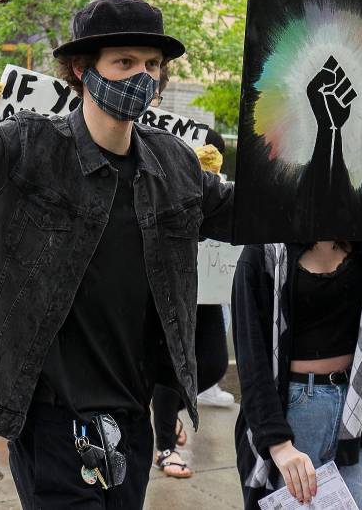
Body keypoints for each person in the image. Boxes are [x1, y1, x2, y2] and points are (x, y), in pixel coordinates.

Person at [0, 0, 233, 508]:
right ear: (81, 69)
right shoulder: (24, 149)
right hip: (50, 420)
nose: (142, 76)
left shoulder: (175, 165)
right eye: (123, 62)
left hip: (131, 418)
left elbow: (259, 212)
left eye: (151, 64)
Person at [232, 141, 362, 510]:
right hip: (294, 411)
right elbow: (252, 359)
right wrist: (278, 444)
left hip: (355, 411)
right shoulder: (264, 251)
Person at [150, 134, 232, 480]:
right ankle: (165, 445)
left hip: (207, 288)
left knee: (212, 364)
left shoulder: (218, 188)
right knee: (171, 366)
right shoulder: (163, 172)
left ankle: (168, 411)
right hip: (172, 285)